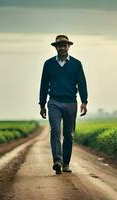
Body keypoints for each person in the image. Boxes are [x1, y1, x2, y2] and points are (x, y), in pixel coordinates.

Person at [38, 35, 88, 175]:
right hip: (54, 102)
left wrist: (84, 101)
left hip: (71, 102)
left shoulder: (76, 64)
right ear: (55, 47)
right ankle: (57, 161)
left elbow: (82, 83)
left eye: (64, 45)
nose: (62, 47)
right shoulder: (48, 64)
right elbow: (43, 85)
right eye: (59, 45)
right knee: (55, 131)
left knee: (69, 135)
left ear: (68, 47)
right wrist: (42, 104)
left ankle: (65, 164)